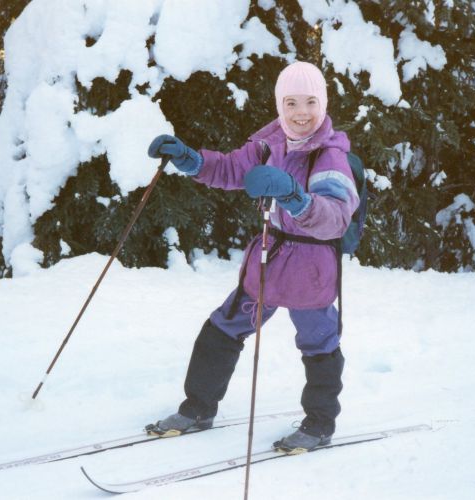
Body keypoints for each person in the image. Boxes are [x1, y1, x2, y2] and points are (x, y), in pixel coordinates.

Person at [146, 61, 359, 453]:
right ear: (280, 105)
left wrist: (295, 198)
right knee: (224, 326)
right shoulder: (269, 144)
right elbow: (229, 169)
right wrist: (190, 159)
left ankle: (318, 425)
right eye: (291, 102)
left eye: (311, 102)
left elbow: (336, 219)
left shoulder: (330, 157)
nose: (301, 113)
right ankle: (197, 408)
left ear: (324, 103)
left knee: (319, 343)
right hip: (270, 258)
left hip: (310, 269)